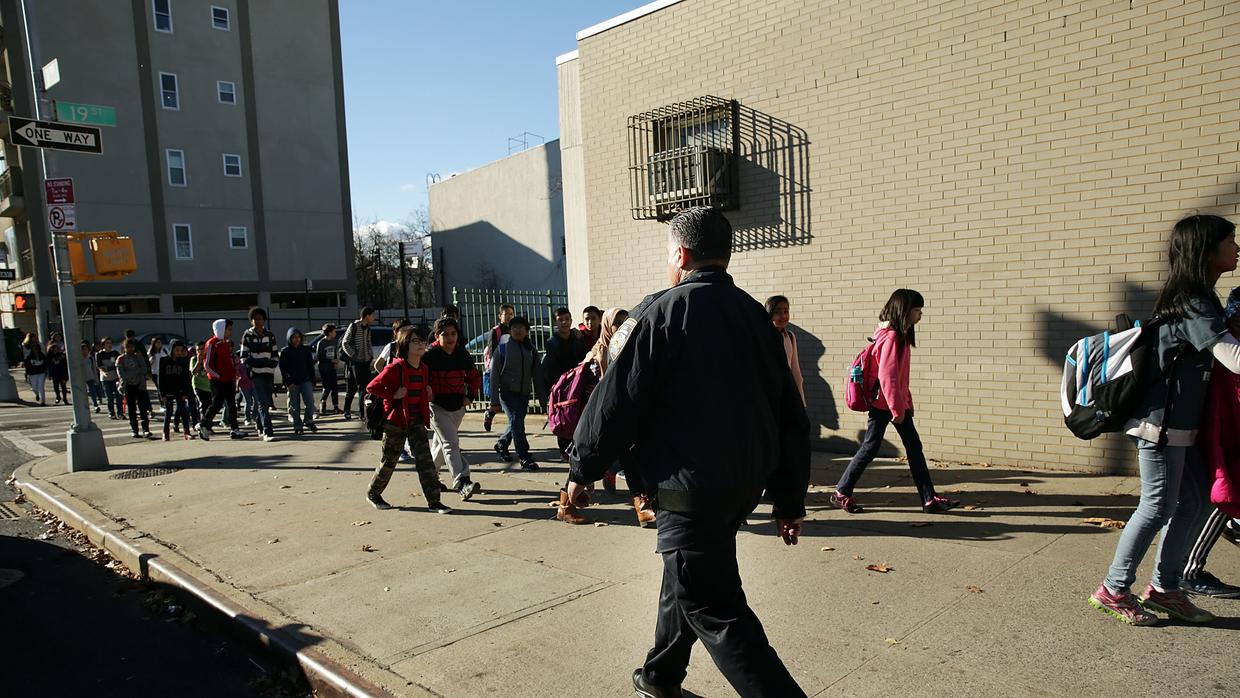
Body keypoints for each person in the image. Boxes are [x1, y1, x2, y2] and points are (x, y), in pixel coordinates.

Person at [567, 207, 810, 697]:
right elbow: (791, 417)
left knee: (716, 608)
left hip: (687, 487)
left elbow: (615, 400)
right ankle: (660, 676)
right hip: (738, 487)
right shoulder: (758, 320)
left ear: (681, 254)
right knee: (687, 574)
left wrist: (581, 468)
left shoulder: (659, 312)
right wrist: (788, 500)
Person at [1089, 214, 1240, 627]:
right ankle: (1113, 589)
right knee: (1157, 506)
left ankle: (1164, 589)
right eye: (1231, 240)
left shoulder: (1202, 298)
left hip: (1183, 428)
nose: (1237, 248)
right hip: (1160, 425)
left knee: (1191, 502)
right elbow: (1232, 357)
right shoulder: (1191, 300)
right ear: (1206, 250)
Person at [831, 289, 958, 515]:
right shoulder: (891, 337)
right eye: (917, 310)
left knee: (908, 448)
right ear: (905, 311)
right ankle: (842, 491)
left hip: (891, 404)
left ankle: (928, 499)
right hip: (886, 405)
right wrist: (897, 408)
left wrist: (906, 401)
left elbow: (899, 377)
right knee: (874, 448)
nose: (920, 315)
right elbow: (887, 376)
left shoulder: (898, 335)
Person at [555, 307, 656, 528]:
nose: (621, 327)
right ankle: (566, 505)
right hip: (595, 419)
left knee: (630, 457)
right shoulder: (599, 352)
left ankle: (641, 506)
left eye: (624, 322)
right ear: (607, 326)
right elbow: (602, 388)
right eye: (616, 323)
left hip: (620, 415)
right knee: (585, 459)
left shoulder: (626, 349)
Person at [1180, 286, 1240, 599]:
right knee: (1220, 496)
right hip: (1223, 430)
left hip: (1224, 428)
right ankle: (1189, 570)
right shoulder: (1228, 345)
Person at [365, 325, 450, 514]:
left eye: (422, 341)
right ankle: (373, 493)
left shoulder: (424, 368)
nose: (420, 345)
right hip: (395, 421)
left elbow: (420, 390)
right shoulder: (395, 368)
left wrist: (427, 393)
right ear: (405, 344)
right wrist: (393, 394)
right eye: (415, 341)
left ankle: (434, 501)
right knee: (390, 460)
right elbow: (372, 387)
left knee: (425, 461)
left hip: (416, 421)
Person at [425, 317, 483, 500]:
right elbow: (420, 378)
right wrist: (427, 393)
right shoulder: (429, 355)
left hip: (457, 407)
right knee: (451, 443)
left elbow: (474, 377)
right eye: (445, 334)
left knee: (441, 444)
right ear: (436, 336)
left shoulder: (461, 353)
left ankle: (429, 477)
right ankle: (462, 482)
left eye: (453, 334)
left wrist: (470, 396)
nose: (450, 338)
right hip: (437, 408)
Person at [489, 316, 548, 471]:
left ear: (527, 331)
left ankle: (501, 445)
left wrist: (543, 400)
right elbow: (494, 376)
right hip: (508, 394)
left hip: (523, 395)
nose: (518, 330)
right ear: (510, 330)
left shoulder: (531, 350)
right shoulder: (502, 349)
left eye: (521, 327)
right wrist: (494, 402)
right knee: (517, 424)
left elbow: (537, 376)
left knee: (515, 423)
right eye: (514, 327)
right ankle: (524, 456)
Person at [199, 319, 245, 441]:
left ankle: (235, 429)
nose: (230, 332)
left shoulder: (224, 343)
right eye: (228, 329)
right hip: (217, 380)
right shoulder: (211, 343)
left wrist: (233, 374)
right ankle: (203, 424)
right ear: (221, 329)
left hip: (229, 379)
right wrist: (218, 376)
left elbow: (227, 362)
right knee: (217, 403)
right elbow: (207, 364)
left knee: (232, 405)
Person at [240, 307, 279, 442]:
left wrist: (271, 364)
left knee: (265, 402)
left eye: (260, 319)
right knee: (262, 403)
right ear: (251, 321)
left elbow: (275, 353)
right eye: (255, 319)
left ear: (264, 320)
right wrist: (253, 367)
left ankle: (259, 423)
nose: (258, 321)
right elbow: (244, 356)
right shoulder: (247, 335)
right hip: (255, 375)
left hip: (268, 374)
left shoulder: (270, 335)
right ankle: (268, 432)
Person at [481, 304, 515, 432]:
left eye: (511, 314)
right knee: (499, 400)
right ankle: (490, 413)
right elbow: (492, 351)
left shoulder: (514, 330)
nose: (509, 316)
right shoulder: (496, 331)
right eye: (506, 314)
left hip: (511, 369)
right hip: (498, 369)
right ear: (500, 316)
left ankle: (490, 413)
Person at [767, 295, 806, 405]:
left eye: (786, 311)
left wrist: (801, 403)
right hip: (769, 396)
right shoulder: (763, 338)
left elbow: (796, 372)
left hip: (787, 395)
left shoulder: (790, 337)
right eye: (777, 312)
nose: (783, 316)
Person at [280, 327, 317, 436]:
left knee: (310, 401)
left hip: (305, 380)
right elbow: (283, 369)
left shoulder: (305, 350)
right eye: (294, 337)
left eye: (298, 337)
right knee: (295, 405)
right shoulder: (285, 351)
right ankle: (298, 426)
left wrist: (313, 380)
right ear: (289, 339)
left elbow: (310, 366)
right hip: (292, 383)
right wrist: (288, 381)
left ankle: (308, 420)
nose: (296, 339)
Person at [340, 307, 375, 421]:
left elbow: (369, 342)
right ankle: (351, 411)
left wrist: (370, 355)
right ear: (366, 316)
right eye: (372, 315)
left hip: (366, 361)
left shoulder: (368, 329)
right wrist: (353, 355)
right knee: (356, 388)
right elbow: (345, 342)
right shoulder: (354, 326)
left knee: (364, 387)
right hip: (355, 363)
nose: (373, 318)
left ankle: (362, 413)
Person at [543, 307, 590, 394]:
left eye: (567, 319)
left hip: (579, 381)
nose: (564, 322)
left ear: (571, 320)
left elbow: (583, 359)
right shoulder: (552, 342)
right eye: (560, 320)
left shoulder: (578, 338)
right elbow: (553, 368)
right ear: (555, 322)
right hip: (562, 384)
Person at [158, 340, 197, 440]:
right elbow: (161, 378)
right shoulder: (164, 360)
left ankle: (186, 432)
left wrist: (185, 392)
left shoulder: (183, 361)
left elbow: (186, 378)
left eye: (181, 350)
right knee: (169, 412)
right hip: (168, 391)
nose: (179, 352)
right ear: (172, 349)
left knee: (183, 410)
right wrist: (162, 394)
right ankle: (165, 432)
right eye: (177, 350)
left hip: (180, 390)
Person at [118, 338, 153, 439]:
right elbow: (122, 375)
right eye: (128, 347)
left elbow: (144, 369)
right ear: (124, 348)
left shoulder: (138, 357)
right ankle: (134, 430)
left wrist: (136, 370)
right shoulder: (121, 359)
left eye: (132, 347)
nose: (130, 349)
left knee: (143, 408)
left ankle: (146, 429)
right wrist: (136, 371)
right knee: (132, 409)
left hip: (140, 385)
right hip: (128, 386)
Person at [315, 323, 341, 415]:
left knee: (334, 387)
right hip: (324, 368)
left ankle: (336, 406)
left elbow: (335, 353)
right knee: (327, 386)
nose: (335, 333)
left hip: (332, 368)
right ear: (329, 332)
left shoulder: (335, 341)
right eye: (334, 331)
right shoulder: (321, 343)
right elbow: (319, 357)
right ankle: (322, 402)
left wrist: (336, 361)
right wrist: (330, 361)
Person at [96, 337, 121, 418]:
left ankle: (120, 412)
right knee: (109, 397)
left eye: (110, 343)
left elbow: (117, 364)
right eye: (107, 343)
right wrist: (104, 370)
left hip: (115, 377)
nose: (109, 345)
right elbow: (99, 366)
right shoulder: (99, 354)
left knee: (118, 396)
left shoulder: (115, 353)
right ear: (103, 345)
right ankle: (111, 413)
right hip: (105, 378)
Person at [189, 342, 214, 423]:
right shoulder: (194, 359)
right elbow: (193, 372)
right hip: (198, 385)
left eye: (202, 349)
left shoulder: (209, 358)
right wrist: (199, 362)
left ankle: (207, 423)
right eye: (197, 350)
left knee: (210, 406)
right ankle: (203, 423)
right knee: (203, 404)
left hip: (208, 386)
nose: (200, 351)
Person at [20, 334, 47, 405]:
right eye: (33, 338)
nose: (35, 349)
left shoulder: (40, 347)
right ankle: (37, 394)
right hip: (32, 371)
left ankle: (43, 401)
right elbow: (26, 359)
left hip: (41, 370)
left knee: (41, 386)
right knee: (34, 387)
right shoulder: (26, 347)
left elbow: (45, 357)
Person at [80, 341, 103, 413]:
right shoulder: (79, 359)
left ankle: (95, 405)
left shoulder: (90, 358)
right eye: (83, 350)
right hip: (81, 379)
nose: (84, 351)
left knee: (93, 392)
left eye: (86, 349)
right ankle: (84, 406)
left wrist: (96, 379)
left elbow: (94, 369)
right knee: (83, 393)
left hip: (90, 377)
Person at [45, 339, 69, 405]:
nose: (55, 350)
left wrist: (66, 375)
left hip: (62, 372)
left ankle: (65, 399)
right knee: (56, 386)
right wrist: (49, 374)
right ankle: (58, 396)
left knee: (63, 386)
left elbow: (65, 364)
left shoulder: (61, 355)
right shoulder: (49, 356)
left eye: (56, 348)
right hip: (54, 373)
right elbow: (48, 366)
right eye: (54, 348)